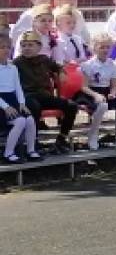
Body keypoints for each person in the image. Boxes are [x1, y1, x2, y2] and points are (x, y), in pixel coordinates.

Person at [14, 30, 74, 153]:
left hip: (44, 96)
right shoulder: (17, 63)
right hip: (27, 96)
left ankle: (61, 139)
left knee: (71, 106)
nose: (26, 48)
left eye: (30, 45)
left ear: (39, 47)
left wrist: (61, 72)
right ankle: (33, 142)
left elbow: (57, 66)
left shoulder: (44, 59)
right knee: (34, 107)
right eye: (23, 45)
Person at [81, 32, 116, 149]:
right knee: (102, 105)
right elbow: (84, 87)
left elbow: (113, 85)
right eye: (102, 47)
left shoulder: (113, 65)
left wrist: (113, 93)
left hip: (107, 91)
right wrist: (95, 95)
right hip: (92, 92)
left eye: (108, 47)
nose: (105, 50)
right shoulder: (88, 65)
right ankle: (93, 136)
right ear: (94, 48)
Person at [0, 35, 40, 163]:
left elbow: (18, 87)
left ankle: (31, 151)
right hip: (2, 103)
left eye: (8, 47)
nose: (6, 50)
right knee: (20, 121)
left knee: (30, 120)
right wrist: (6, 107)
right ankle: (8, 153)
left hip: (13, 100)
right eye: (2, 47)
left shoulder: (13, 67)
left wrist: (22, 103)